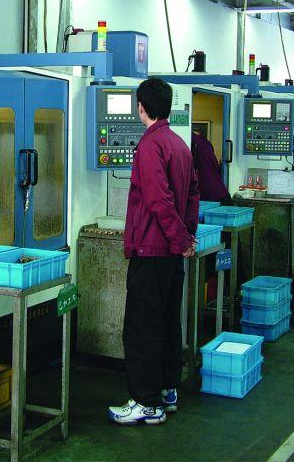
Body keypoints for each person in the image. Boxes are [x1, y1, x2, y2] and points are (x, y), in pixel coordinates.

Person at [108, 78, 200, 426]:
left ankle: (146, 403)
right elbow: (193, 193)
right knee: (167, 322)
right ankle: (166, 389)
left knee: (142, 326)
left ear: (141, 107)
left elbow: (159, 200)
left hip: (151, 250)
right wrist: (186, 236)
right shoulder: (179, 144)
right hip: (172, 255)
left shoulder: (149, 146)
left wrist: (179, 239)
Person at [191, 131, 233, 205]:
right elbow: (215, 165)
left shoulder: (189, 142)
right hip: (220, 192)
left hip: (208, 195)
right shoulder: (204, 142)